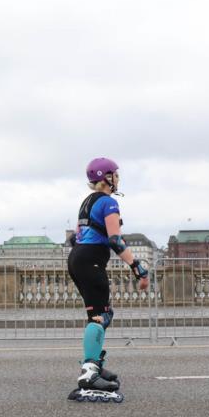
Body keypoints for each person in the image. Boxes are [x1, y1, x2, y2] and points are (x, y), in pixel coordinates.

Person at [66, 157, 149, 403]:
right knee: (100, 316)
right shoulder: (108, 203)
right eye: (116, 175)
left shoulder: (87, 201)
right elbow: (115, 240)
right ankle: (89, 374)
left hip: (78, 258)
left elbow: (77, 237)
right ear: (107, 178)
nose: (118, 179)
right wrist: (138, 268)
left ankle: (95, 365)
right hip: (91, 260)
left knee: (100, 313)